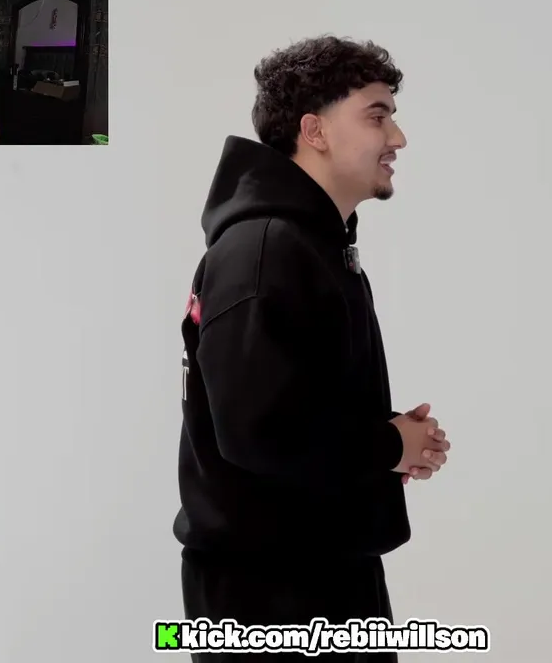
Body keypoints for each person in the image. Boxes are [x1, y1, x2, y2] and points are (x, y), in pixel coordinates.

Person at [173, 36, 452, 662]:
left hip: (319, 578)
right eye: (377, 116)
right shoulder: (265, 249)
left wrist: (390, 438)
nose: (398, 138)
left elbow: (289, 406)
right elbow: (255, 435)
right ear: (314, 130)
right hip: (269, 599)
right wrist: (386, 446)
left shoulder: (312, 245)